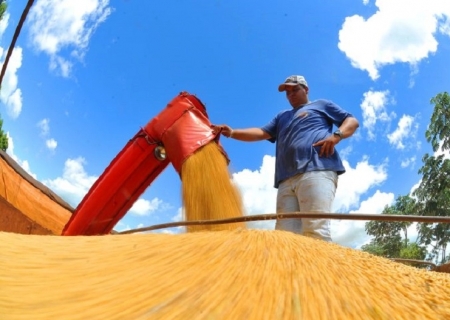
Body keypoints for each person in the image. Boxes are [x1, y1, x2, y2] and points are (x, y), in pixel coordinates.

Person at [213, 75, 359, 241]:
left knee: (315, 229)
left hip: (316, 169)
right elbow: (261, 132)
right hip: (285, 180)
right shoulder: (282, 116)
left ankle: (324, 268)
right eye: (287, 92)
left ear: (306, 89)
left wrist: (336, 136)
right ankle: (293, 268)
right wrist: (232, 133)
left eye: (295, 89)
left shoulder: (321, 105)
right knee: (285, 238)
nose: (291, 94)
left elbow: (351, 121)